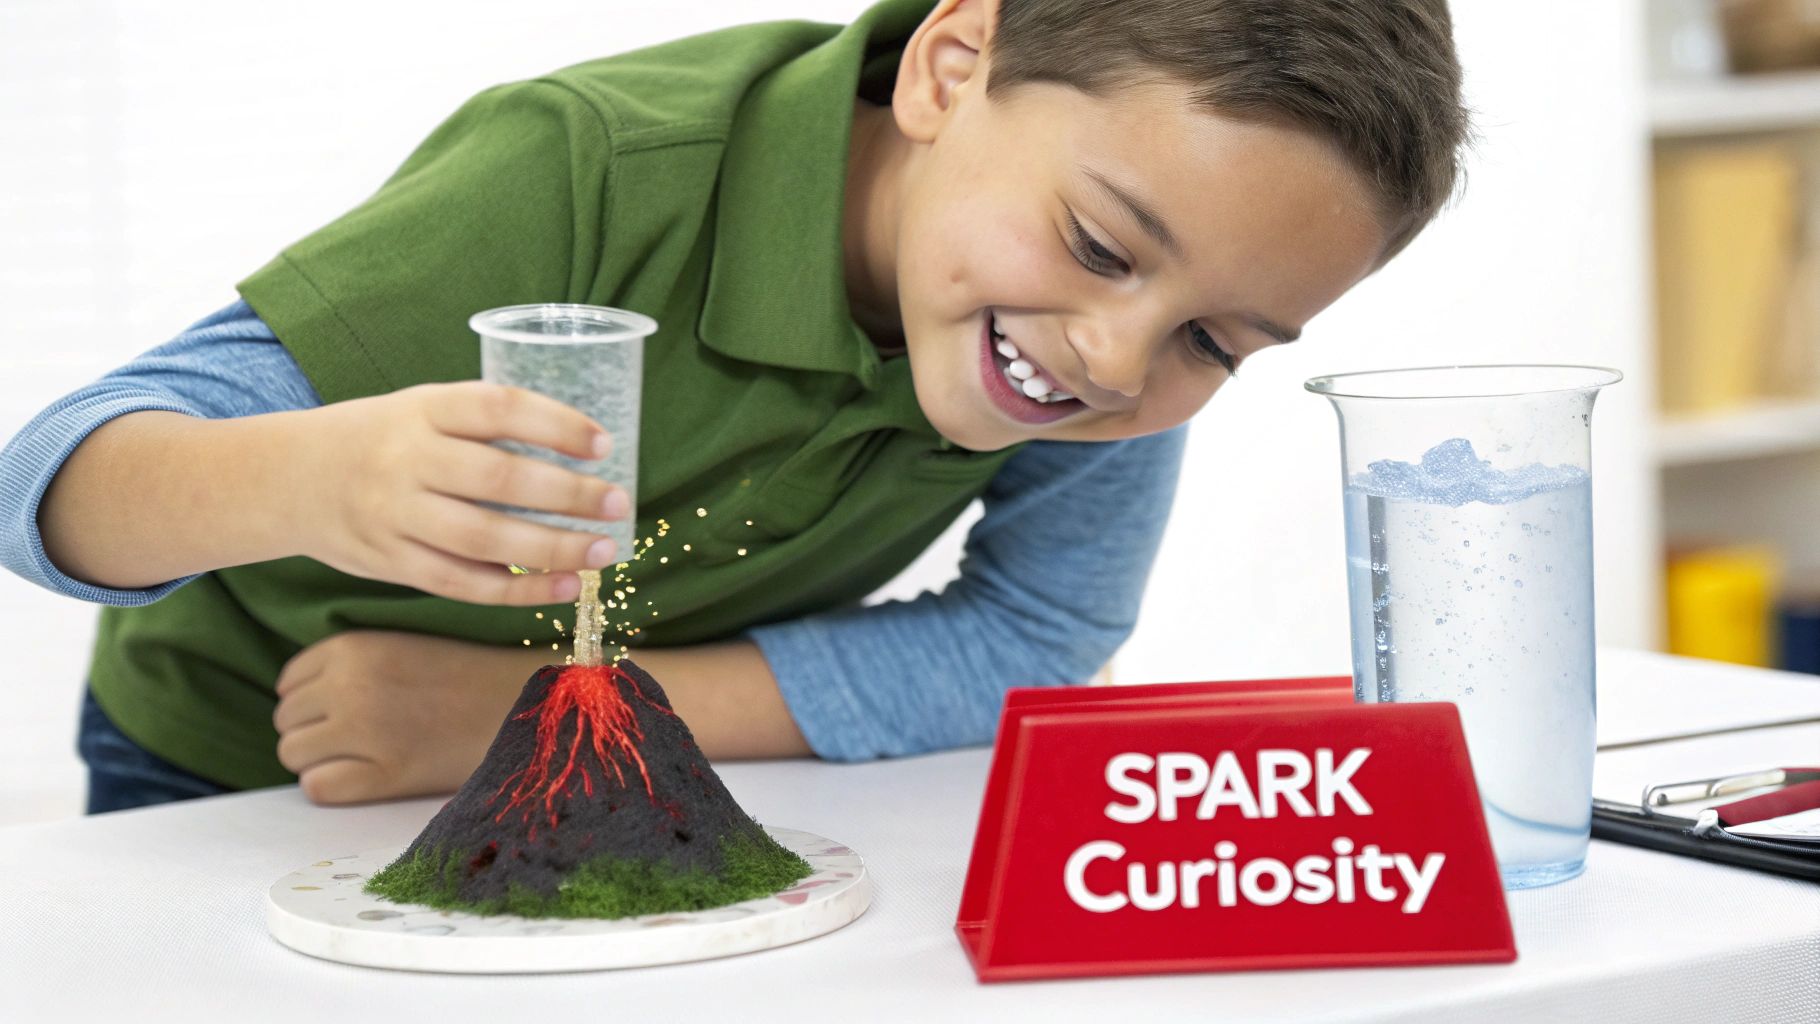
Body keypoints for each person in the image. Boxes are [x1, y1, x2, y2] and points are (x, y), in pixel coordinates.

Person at [0, 0, 1468, 813]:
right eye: (1097, 246)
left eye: (1217, 341)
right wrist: (313, 481)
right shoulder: (591, 171)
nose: (1116, 361)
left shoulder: (1080, 361)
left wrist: (549, 720)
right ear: (955, 68)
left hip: (573, 773)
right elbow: (51, 481)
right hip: (240, 773)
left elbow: (1036, 637)